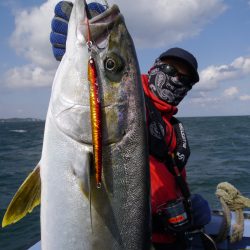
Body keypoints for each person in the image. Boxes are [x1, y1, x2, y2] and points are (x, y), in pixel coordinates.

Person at [50, 2, 211, 249]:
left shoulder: (175, 129)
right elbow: (110, 100)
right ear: (154, 67)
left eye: (185, 79)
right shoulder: (134, 103)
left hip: (175, 238)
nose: (176, 80)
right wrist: (74, 58)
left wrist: (188, 204)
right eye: (169, 69)